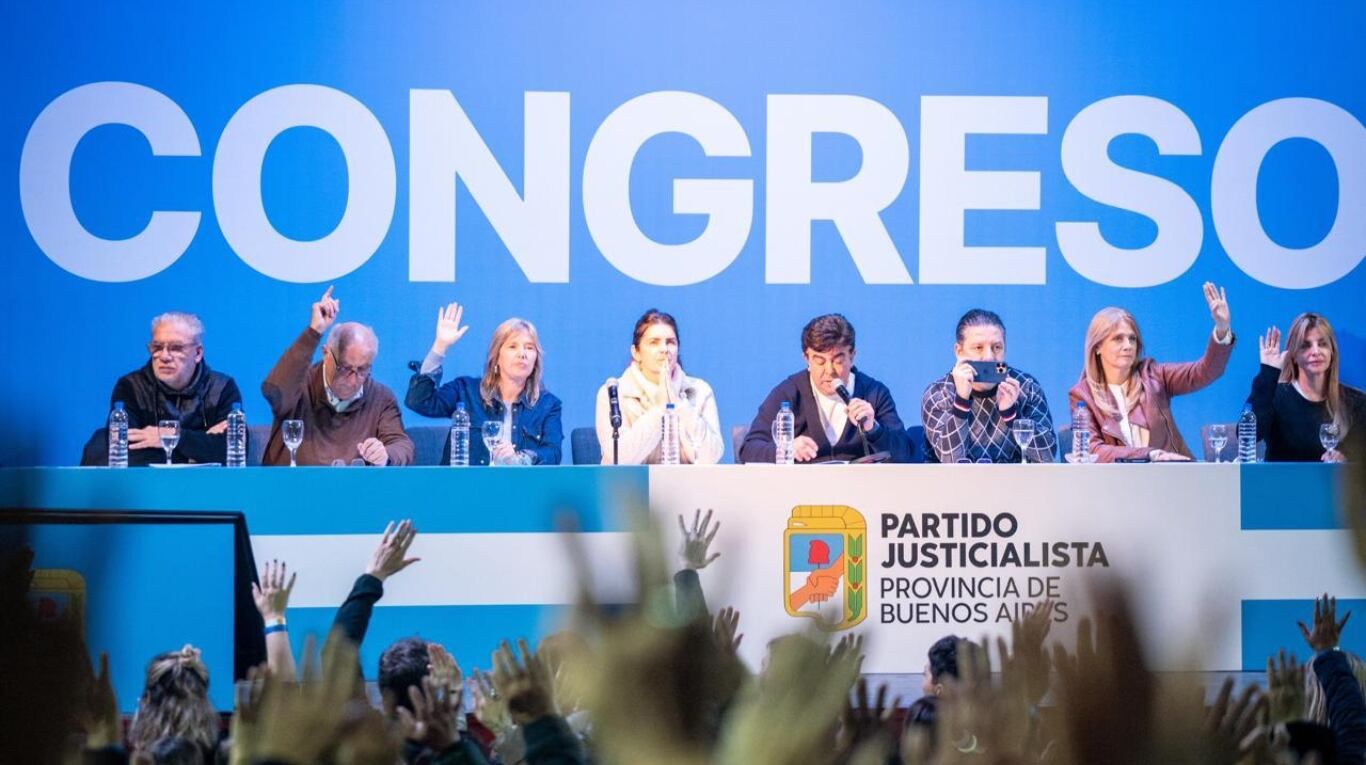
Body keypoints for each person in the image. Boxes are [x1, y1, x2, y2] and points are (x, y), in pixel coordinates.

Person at [1068, 283, 1235, 463]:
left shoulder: (1154, 376)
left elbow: (1206, 371)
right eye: (1118, 339)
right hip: (1115, 485)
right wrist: (1149, 454)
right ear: (1097, 346)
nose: (1128, 346)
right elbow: (1092, 451)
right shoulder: (1082, 395)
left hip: (1169, 479)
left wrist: (1222, 328)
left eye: (1132, 339)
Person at [261, 286, 414, 466]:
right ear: (326, 354)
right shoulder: (300, 384)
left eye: (362, 370)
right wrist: (314, 331)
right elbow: (275, 391)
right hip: (292, 488)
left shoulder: (381, 398)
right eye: (344, 368)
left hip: (354, 492)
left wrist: (385, 454)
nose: (352, 380)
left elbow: (402, 445)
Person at [738, 314, 913, 463]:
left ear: (852, 356)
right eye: (819, 361)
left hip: (860, 494)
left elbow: (905, 455)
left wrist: (873, 429)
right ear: (806, 358)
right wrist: (787, 450)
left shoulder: (874, 393)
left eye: (838, 360)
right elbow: (748, 449)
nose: (829, 371)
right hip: (802, 496)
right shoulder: (789, 392)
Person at [406, 303, 563, 465]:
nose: (522, 354)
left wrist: (521, 458)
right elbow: (419, 401)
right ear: (496, 357)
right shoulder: (465, 391)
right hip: (468, 487)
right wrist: (439, 347)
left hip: (520, 487)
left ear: (536, 360)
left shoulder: (548, 405)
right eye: (512, 346)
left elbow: (553, 453)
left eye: (529, 348)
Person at [93, 312, 242, 466]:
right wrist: (197, 449)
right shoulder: (130, 387)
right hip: (148, 485)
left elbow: (233, 450)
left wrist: (171, 436)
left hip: (206, 485)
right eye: (157, 347)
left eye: (176, 348)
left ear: (197, 353)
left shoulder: (222, 388)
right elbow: (125, 453)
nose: (164, 356)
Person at [921, 309, 1057, 463]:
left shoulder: (1025, 387)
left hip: (1014, 484)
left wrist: (1012, 415)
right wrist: (961, 401)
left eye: (997, 347)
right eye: (978, 348)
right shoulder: (939, 393)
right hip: (954, 485)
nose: (989, 357)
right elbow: (951, 460)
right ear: (959, 351)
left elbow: (1048, 456)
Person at [594, 309, 724, 465]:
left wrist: (680, 405)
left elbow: (710, 458)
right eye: (654, 342)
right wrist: (659, 409)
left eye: (670, 342)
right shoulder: (613, 393)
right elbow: (620, 459)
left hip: (689, 486)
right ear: (636, 352)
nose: (664, 349)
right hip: (631, 487)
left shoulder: (700, 390)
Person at [1249, 313, 1365, 463]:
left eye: (1322, 344)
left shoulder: (1356, 402)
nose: (1316, 352)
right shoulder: (1275, 396)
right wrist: (1268, 372)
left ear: (1332, 352)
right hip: (1282, 485)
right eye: (1306, 345)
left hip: (1334, 486)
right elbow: (1249, 436)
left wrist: (1346, 461)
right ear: (1294, 356)